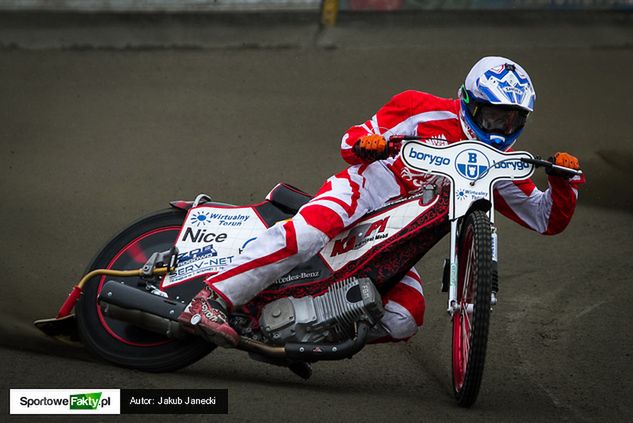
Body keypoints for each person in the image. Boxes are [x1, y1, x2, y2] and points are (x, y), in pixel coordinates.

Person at [177, 56, 585, 347]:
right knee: (307, 235)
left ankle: (305, 334)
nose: (502, 128)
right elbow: (349, 140)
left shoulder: (497, 166)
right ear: (469, 101)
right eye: (494, 115)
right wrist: (368, 144)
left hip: (393, 240)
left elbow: (545, 219)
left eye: (512, 120)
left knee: (406, 316)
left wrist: (565, 182)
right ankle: (210, 299)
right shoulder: (418, 107)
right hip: (361, 195)